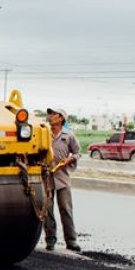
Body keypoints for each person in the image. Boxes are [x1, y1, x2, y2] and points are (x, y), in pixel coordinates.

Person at [43, 107, 82, 252]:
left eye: (54, 114)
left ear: (61, 118)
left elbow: (78, 153)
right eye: (50, 114)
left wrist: (70, 159)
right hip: (46, 178)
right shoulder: (44, 134)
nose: (51, 116)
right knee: (47, 210)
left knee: (66, 209)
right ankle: (50, 240)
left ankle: (71, 241)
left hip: (62, 178)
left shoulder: (69, 136)